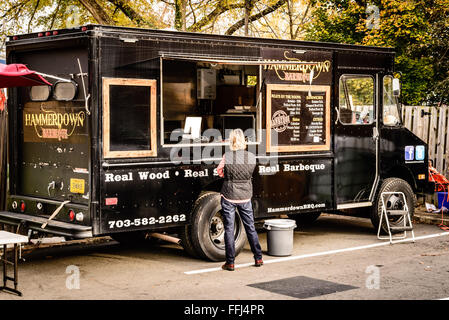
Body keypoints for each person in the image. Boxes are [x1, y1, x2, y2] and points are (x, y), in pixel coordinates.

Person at [217, 129, 263, 271]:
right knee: (250, 227)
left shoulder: (227, 156)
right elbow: (251, 171)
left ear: (231, 141)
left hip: (229, 195)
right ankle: (258, 258)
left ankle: (230, 262)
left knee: (229, 229)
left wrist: (228, 174)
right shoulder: (251, 157)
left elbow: (220, 172)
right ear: (244, 141)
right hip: (245, 196)